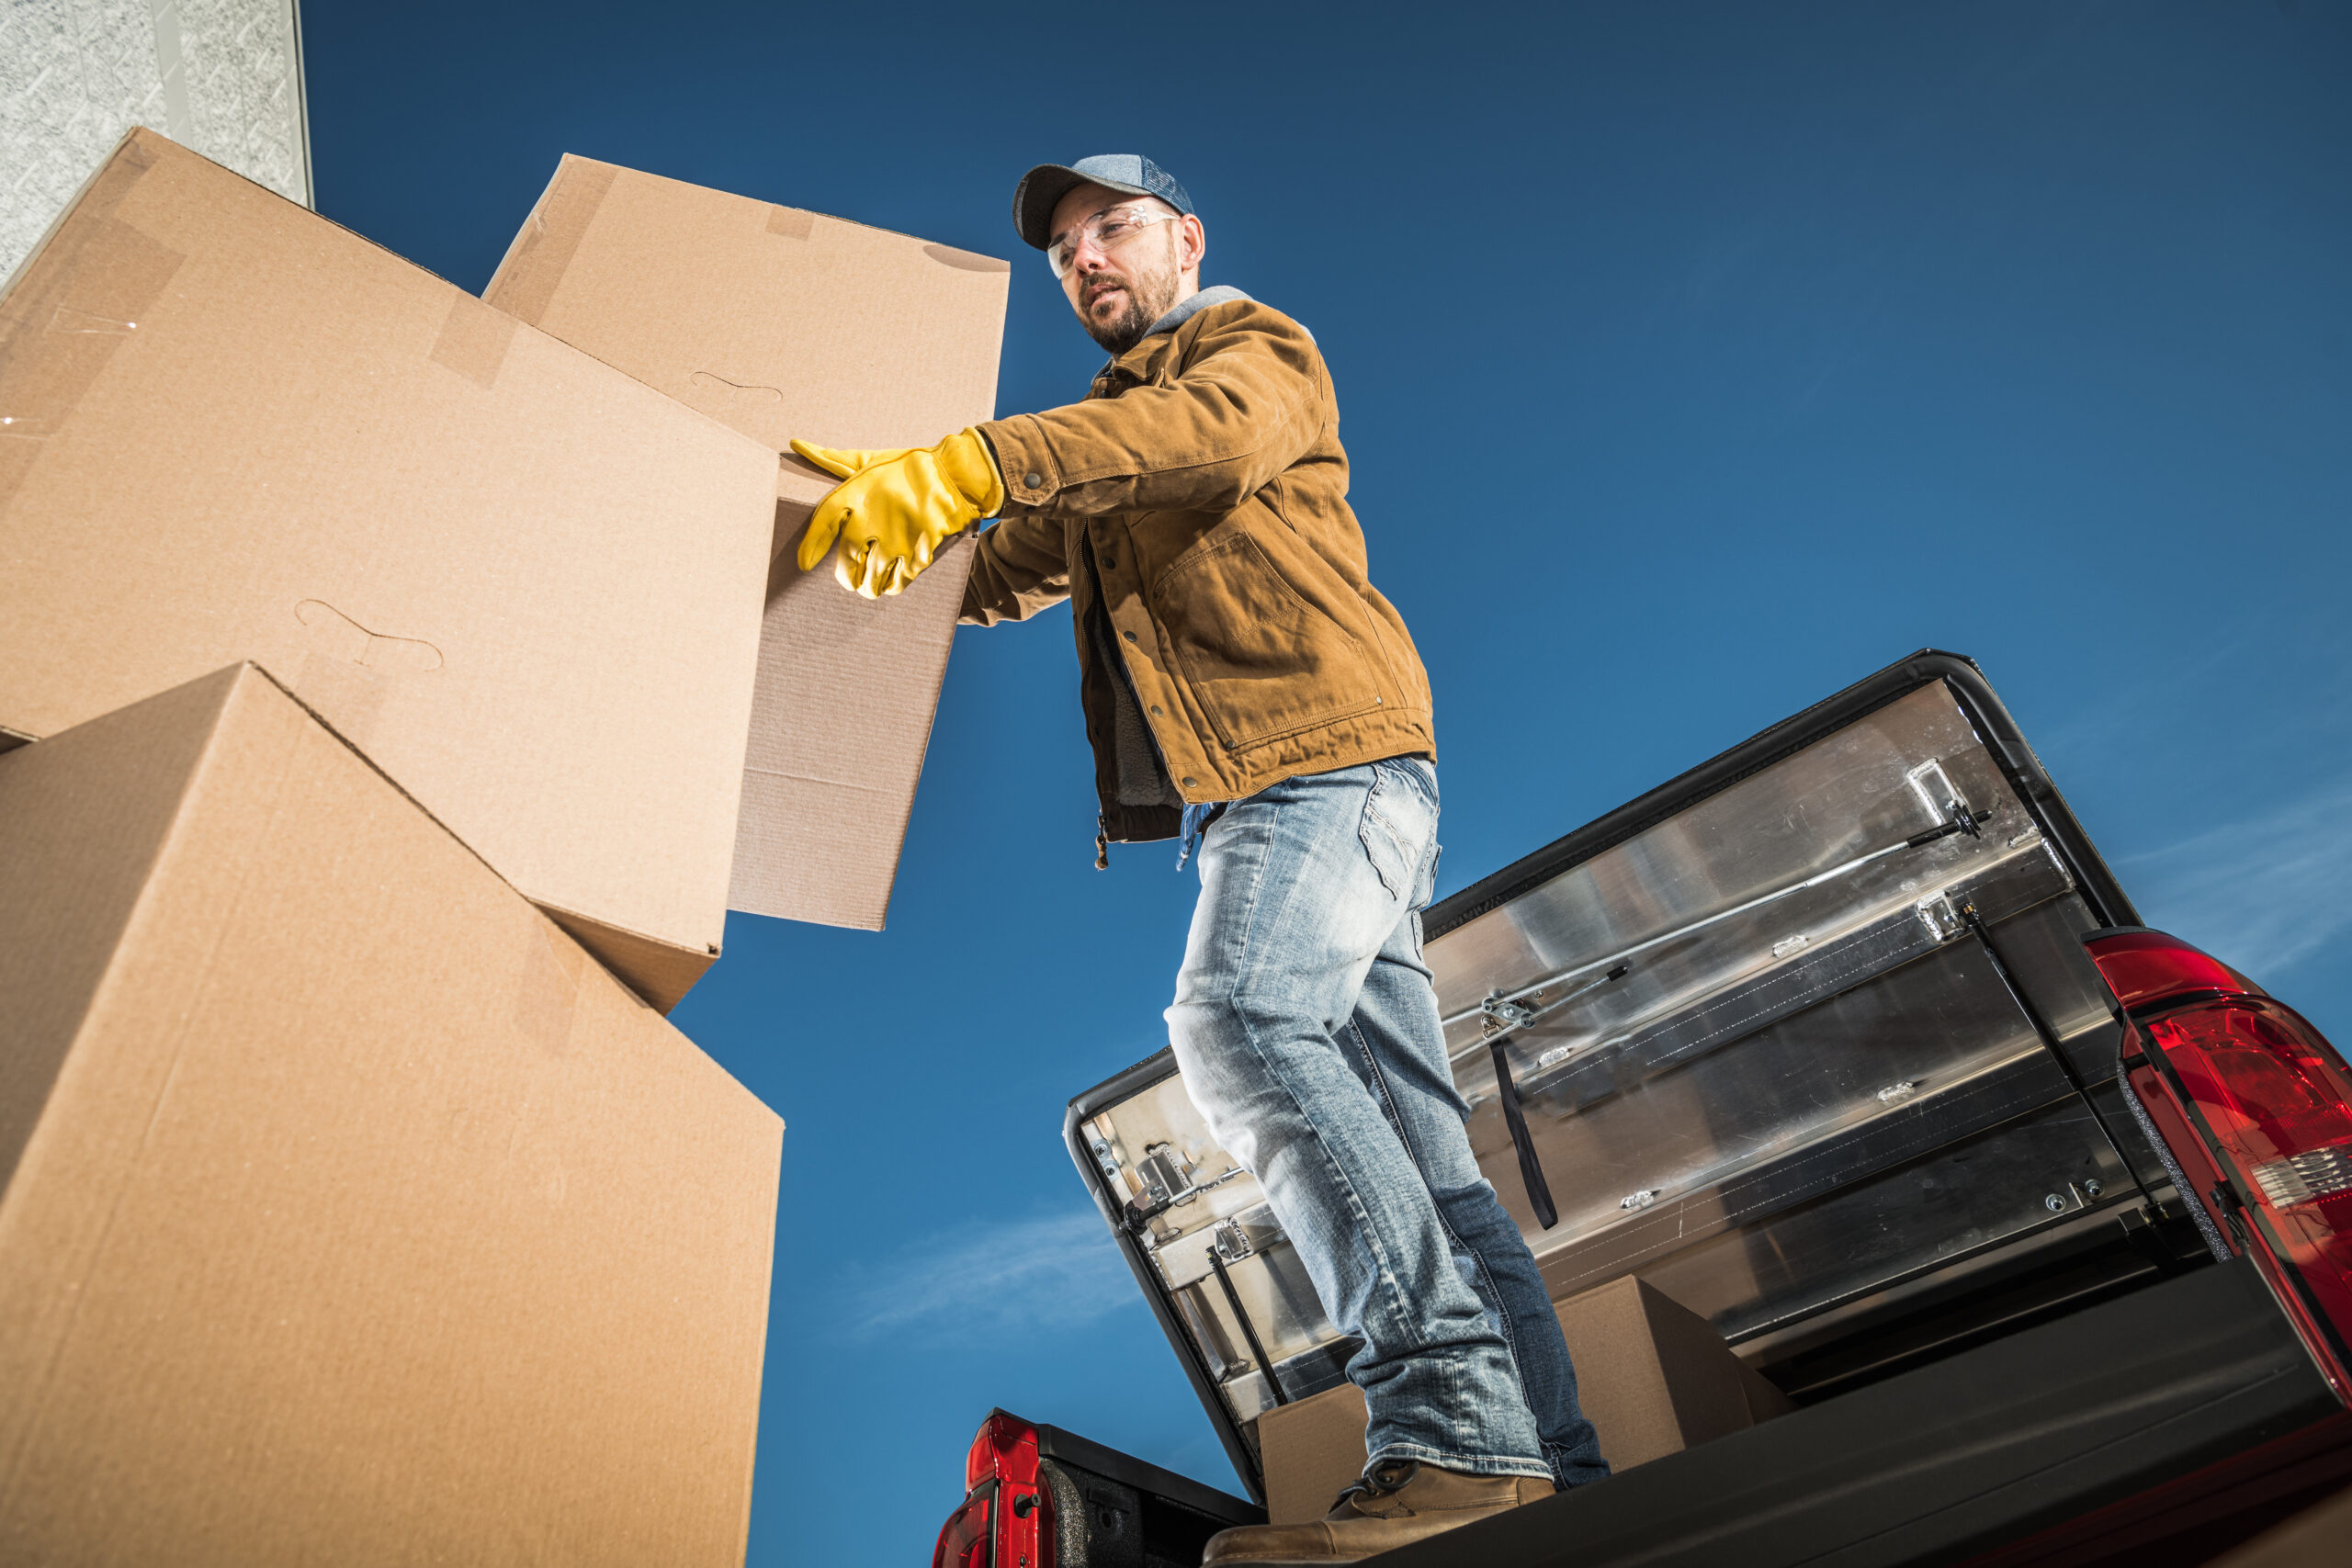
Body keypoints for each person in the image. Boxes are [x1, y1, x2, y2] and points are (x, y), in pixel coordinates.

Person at [791, 153, 1608, 1564]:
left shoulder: (1248, 347)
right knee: (1425, 1159)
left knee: (1237, 1018)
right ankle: (1554, 1478)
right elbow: (996, 567)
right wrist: (824, 524)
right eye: (1064, 249)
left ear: (1185, 239)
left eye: (1113, 227)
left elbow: (1211, 442)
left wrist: (974, 461)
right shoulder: (1115, 433)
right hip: (1280, 794)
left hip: (1325, 763)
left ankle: (1454, 1437)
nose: (1087, 258)